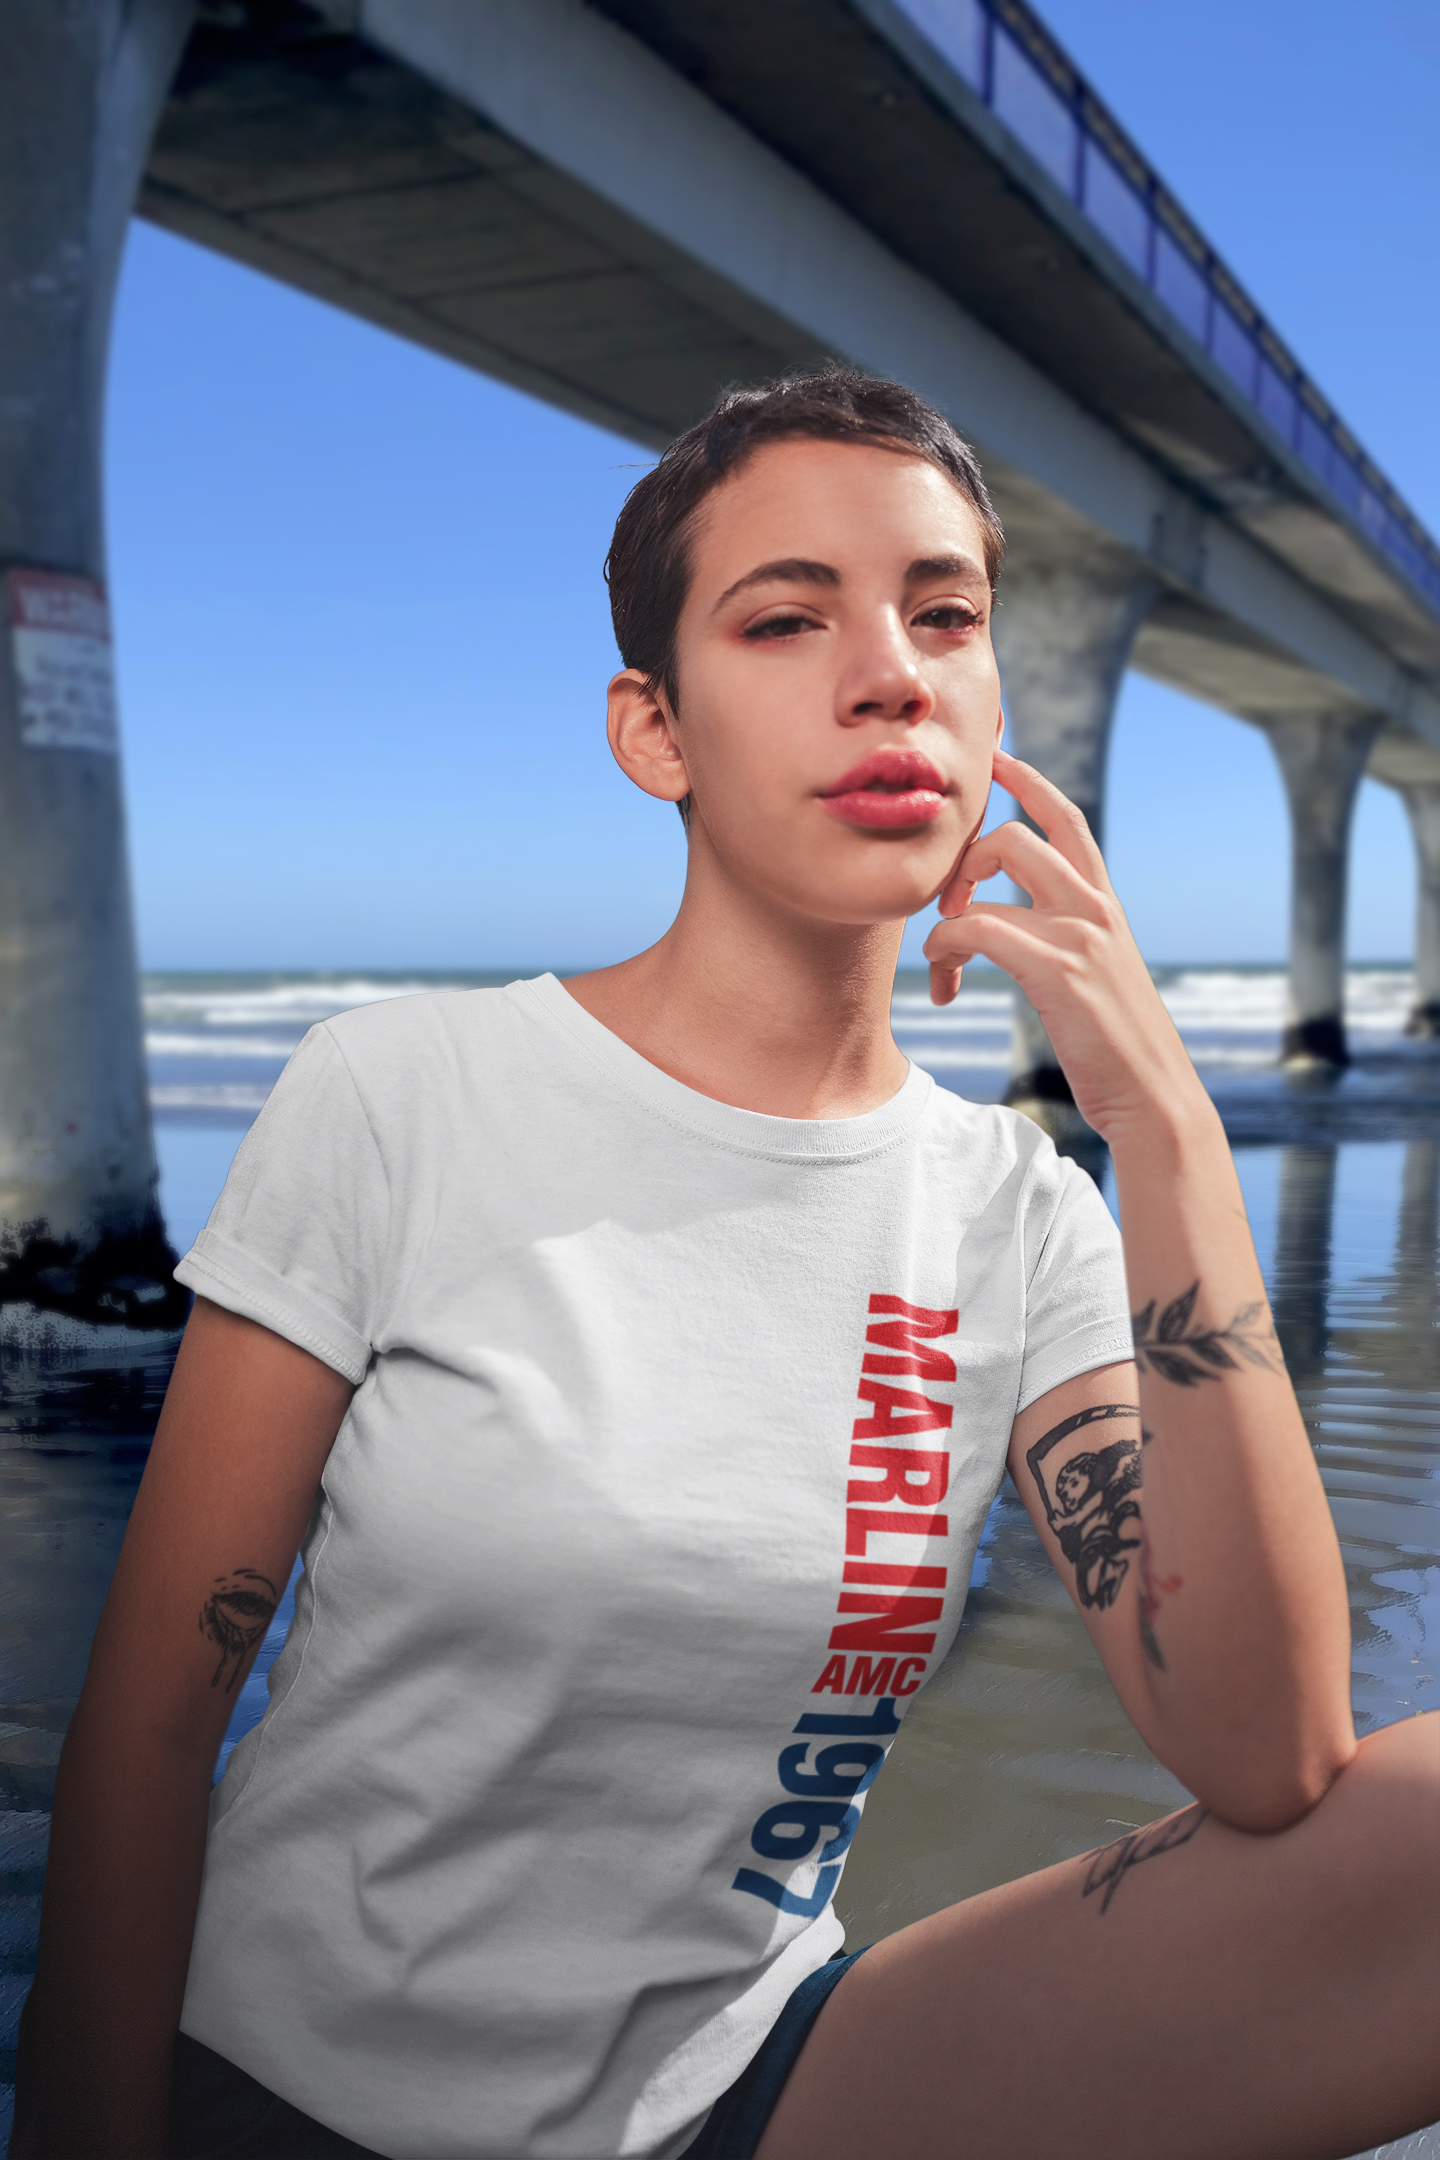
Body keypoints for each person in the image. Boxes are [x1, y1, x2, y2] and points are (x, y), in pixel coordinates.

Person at [12, 366, 1438, 2160]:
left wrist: (1171, 1135)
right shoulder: (405, 1095)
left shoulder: (1020, 1210)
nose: (890, 672)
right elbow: (151, 1719)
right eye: (785, 618)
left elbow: (1268, 1753)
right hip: (310, 2103)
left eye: (945, 615)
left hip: (756, 2081)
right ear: (655, 731)